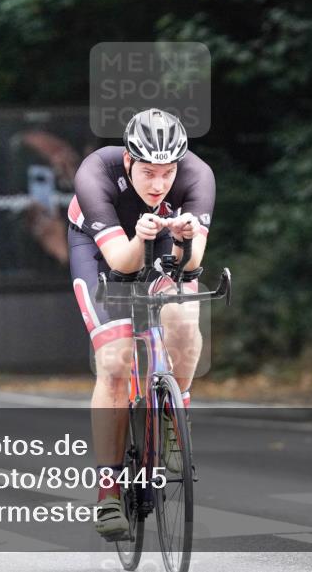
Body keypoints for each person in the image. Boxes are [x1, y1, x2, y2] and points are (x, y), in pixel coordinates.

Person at [66, 109, 215, 540]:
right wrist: (140, 238)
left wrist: (186, 240)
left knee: (185, 319)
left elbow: (193, 263)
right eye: (148, 172)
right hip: (101, 250)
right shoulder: (95, 172)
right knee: (115, 361)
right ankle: (109, 491)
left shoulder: (197, 176)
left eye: (167, 173)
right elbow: (121, 263)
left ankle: (173, 411)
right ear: (129, 161)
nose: (158, 184)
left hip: (162, 237)